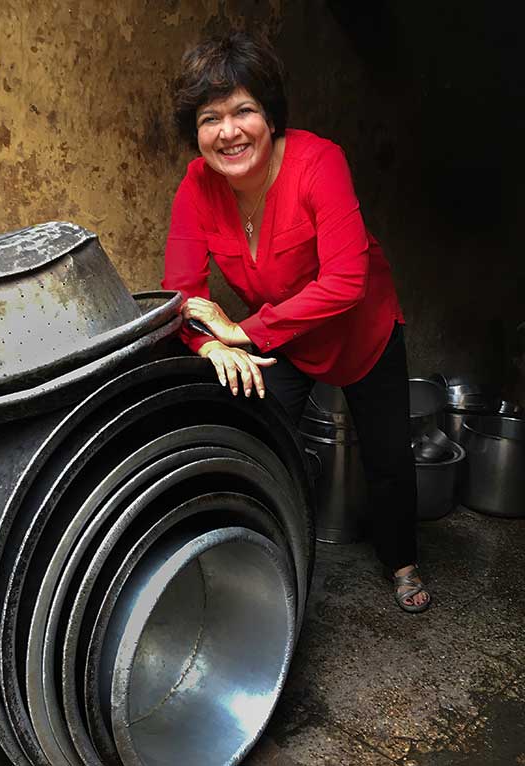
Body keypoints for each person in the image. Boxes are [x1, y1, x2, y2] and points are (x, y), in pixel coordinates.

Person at [162, 31, 430, 613]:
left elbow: (344, 283)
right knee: (255, 435)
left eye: (244, 111)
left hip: (360, 328)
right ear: (196, 132)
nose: (228, 131)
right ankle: (259, 555)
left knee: (387, 456)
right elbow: (180, 296)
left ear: (271, 115)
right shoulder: (196, 186)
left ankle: (401, 560)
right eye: (211, 118)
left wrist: (242, 331)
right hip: (284, 333)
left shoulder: (318, 162)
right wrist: (211, 348)